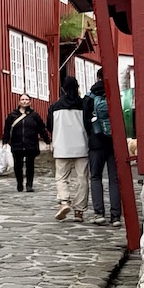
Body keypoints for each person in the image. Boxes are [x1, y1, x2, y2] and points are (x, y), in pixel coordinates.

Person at [50, 77, 90, 222]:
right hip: (81, 145)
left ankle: (64, 201)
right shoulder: (84, 104)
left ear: (63, 89)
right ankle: (79, 211)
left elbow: (50, 125)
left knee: (61, 177)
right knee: (82, 179)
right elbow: (88, 124)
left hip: (62, 145)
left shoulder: (55, 106)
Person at [87, 77, 122, 225]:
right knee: (114, 179)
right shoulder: (116, 95)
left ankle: (99, 213)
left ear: (98, 78)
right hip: (114, 143)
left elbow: (85, 122)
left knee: (96, 177)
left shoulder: (89, 98)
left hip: (96, 144)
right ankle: (115, 216)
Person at [2, 94, 47, 193]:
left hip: (31, 144)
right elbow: (7, 129)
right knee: (18, 166)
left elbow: (41, 128)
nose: (24, 101)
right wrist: (5, 141)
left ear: (30, 102)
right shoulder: (12, 115)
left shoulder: (34, 115)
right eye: (22, 99)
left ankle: (29, 185)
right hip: (17, 144)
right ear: (19, 101)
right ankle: (19, 183)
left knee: (30, 165)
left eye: (26, 99)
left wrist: (47, 140)